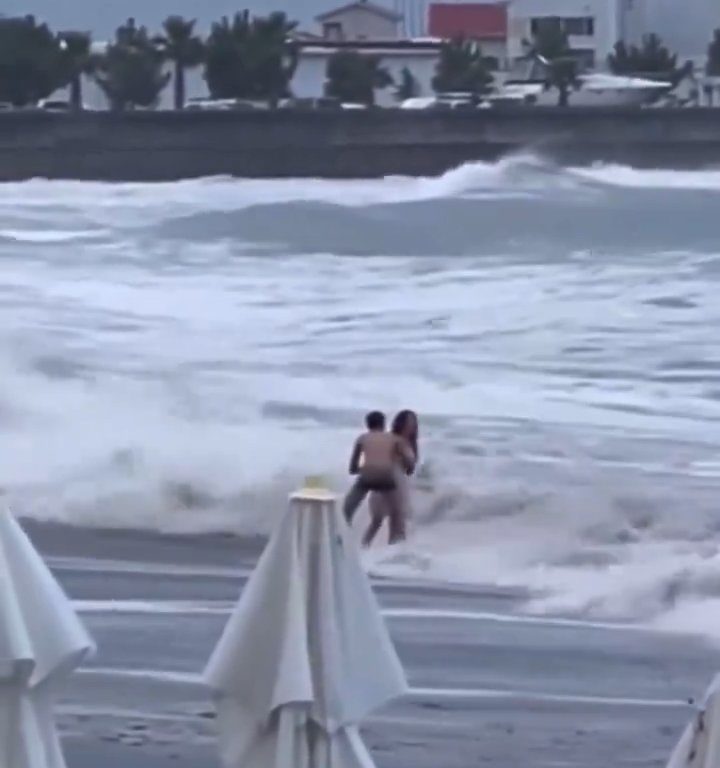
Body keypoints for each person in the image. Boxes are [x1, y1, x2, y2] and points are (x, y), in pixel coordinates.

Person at [343, 411, 413, 529]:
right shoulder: (394, 439)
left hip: (367, 477)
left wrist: (362, 469)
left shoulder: (362, 438)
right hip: (386, 477)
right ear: (384, 424)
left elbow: (352, 468)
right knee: (396, 512)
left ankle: (345, 529)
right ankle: (397, 542)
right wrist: (409, 470)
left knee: (347, 508)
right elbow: (409, 459)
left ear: (367, 425)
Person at [364, 409, 419, 547]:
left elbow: (410, 468)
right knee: (377, 519)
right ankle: (364, 547)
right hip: (386, 478)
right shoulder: (391, 439)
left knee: (398, 518)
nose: (411, 426)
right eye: (408, 422)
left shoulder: (411, 443)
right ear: (401, 423)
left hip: (399, 481)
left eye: (413, 423)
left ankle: (396, 551)